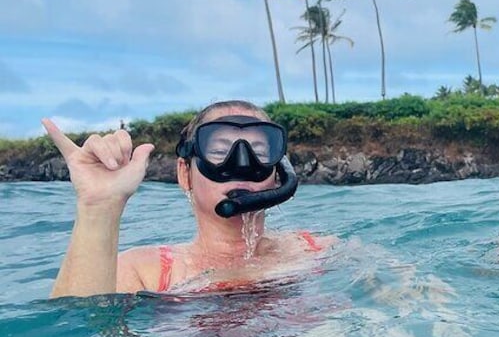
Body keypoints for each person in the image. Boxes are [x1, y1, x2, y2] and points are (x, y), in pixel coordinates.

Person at [45, 100, 333, 298]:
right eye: (219, 149)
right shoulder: (145, 273)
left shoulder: (316, 252)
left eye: (259, 149)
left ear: (278, 171)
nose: (242, 163)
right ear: (185, 174)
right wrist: (100, 208)